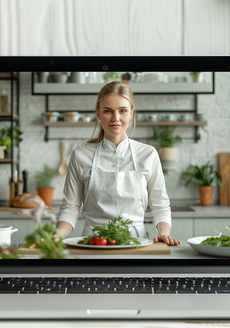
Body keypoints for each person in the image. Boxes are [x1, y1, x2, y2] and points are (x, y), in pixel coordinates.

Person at [56, 81, 179, 246]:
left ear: (131, 114)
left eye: (123, 111)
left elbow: (160, 205)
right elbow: (71, 207)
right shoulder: (80, 155)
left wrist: (163, 233)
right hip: (93, 243)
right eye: (108, 111)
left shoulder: (148, 154)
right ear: (98, 113)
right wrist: (55, 236)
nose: (116, 118)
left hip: (136, 243)